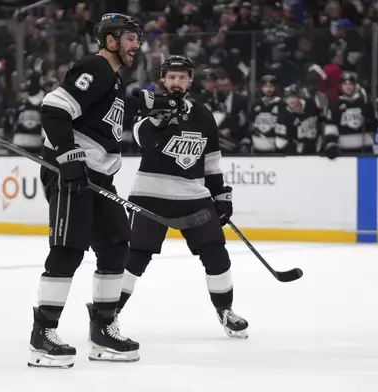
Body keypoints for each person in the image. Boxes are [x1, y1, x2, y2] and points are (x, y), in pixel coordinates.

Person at [29, 13, 185, 369]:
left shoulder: (111, 81)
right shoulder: (95, 67)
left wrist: (160, 103)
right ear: (110, 40)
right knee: (68, 250)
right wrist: (68, 159)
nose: (137, 45)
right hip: (74, 173)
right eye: (131, 38)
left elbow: (117, 110)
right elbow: (54, 109)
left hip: (98, 178)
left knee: (116, 247)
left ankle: (103, 329)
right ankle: (43, 333)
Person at [116, 55, 249, 339]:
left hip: (193, 197)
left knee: (216, 253)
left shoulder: (202, 114)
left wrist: (221, 196)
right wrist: (161, 119)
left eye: (182, 77)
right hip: (151, 196)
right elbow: (142, 137)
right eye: (171, 77)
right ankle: (108, 314)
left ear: (190, 81)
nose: (176, 82)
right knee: (135, 258)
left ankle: (225, 310)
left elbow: (211, 159)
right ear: (163, 79)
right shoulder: (151, 106)